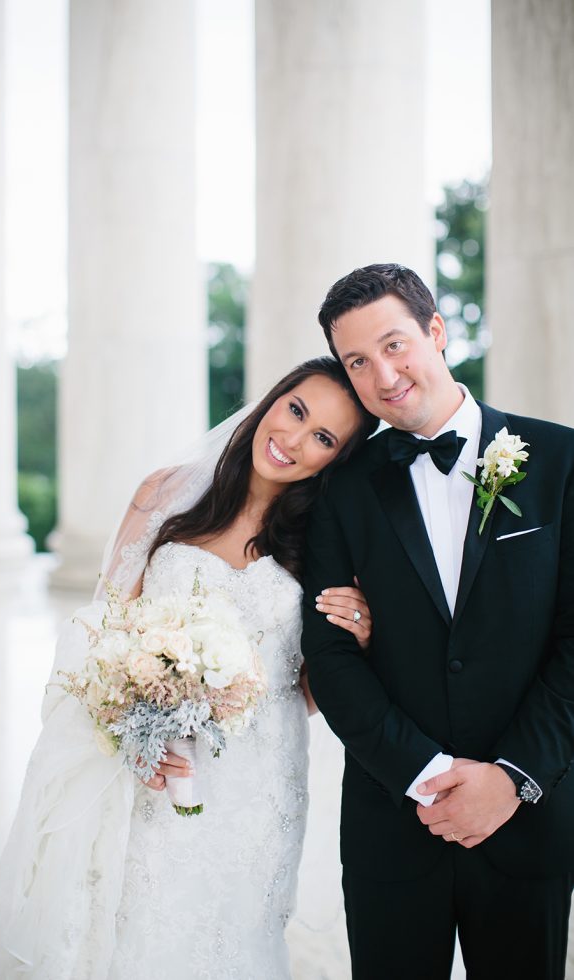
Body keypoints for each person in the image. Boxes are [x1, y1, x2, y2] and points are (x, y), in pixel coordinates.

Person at [0, 356, 378, 980]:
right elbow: (102, 636)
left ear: (337, 458)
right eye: (295, 411)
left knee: (235, 938)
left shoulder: (321, 540)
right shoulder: (165, 493)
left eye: (323, 437)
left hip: (261, 785)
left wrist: (358, 639)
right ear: (272, 401)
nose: (293, 439)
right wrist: (133, 734)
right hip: (157, 764)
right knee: (141, 929)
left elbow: (303, 694)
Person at [301, 263, 574, 980]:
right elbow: (328, 656)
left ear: (436, 331)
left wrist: (511, 778)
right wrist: (423, 772)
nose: (383, 376)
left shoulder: (560, 459)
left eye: (394, 345)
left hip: (529, 818)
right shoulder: (338, 489)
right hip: (392, 820)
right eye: (357, 362)